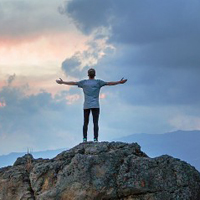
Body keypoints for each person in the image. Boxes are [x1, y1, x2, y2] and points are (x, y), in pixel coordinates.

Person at [56, 68, 127, 143]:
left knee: (85, 122)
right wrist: (119, 82)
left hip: (86, 105)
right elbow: (109, 83)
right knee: (95, 122)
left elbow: (73, 83)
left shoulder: (84, 83)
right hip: (95, 105)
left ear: (88, 75)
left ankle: (84, 139)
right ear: (94, 74)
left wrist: (63, 82)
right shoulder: (98, 82)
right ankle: (95, 139)